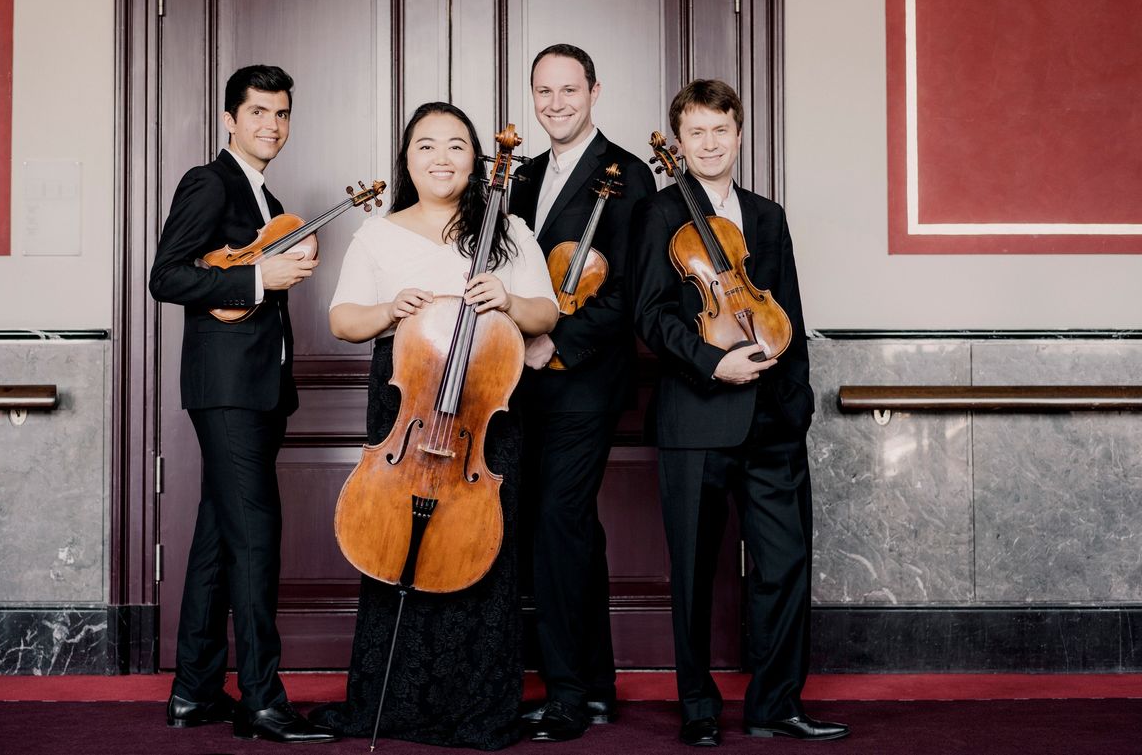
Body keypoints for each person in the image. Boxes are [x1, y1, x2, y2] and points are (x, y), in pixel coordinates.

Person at [311, 101, 558, 750]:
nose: (441, 157)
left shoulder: (505, 231)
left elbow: (546, 312)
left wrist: (506, 296)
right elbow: (342, 320)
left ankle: (476, 709)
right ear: (407, 158)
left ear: (477, 159)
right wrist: (389, 307)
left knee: (482, 552)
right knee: (395, 545)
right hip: (407, 411)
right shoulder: (379, 233)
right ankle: (389, 704)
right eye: (426, 145)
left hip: (485, 414)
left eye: (455, 145)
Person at [628, 79, 848, 746]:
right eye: (695, 132)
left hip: (773, 423)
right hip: (695, 416)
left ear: (739, 134)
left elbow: (790, 313)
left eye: (720, 130)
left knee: (784, 565)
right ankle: (698, 706)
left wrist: (799, 402)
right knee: (694, 573)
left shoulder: (767, 215)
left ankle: (775, 703)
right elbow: (650, 316)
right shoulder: (659, 214)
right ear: (681, 140)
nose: (708, 143)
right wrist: (709, 360)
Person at [149, 65, 336, 744]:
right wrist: (261, 275)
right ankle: (261, 698)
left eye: (282, 113)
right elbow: (164, 275)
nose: (271, 125)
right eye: (258, 112)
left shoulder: (266, 196)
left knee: (217, 535)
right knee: (256, 534)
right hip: (226, 390)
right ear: (230, 118)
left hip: (257, 389)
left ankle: (195, 690)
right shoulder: (210, 181)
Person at [509, 43, 655, 742]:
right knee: (566, 530)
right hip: (518, 382)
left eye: (569, 89)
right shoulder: (523, 174)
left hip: (584, 382)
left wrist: (557, 343)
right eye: (544, 90)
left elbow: (629, 292)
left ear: (594, 90)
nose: (556, 102)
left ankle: (566, 692)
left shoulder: (630, 176)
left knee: (557, 523)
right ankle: (596, 684)